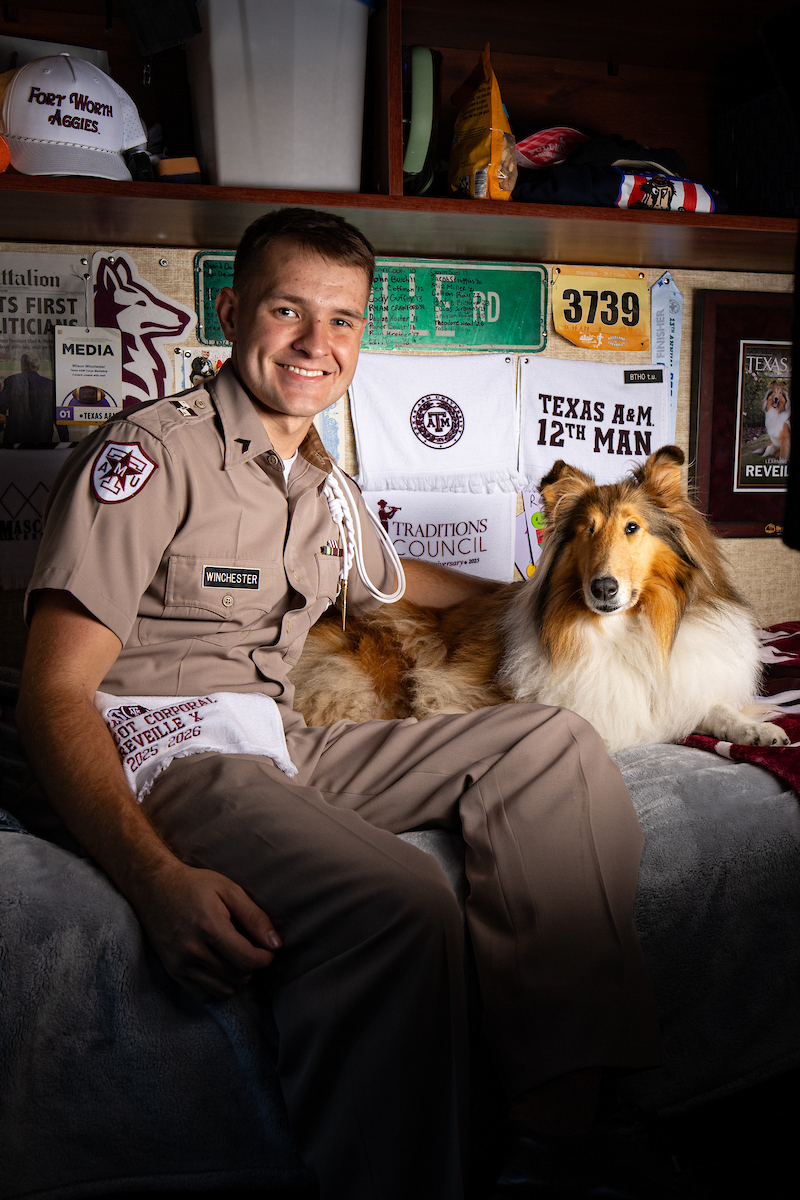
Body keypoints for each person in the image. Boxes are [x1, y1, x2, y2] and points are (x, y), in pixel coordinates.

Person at [17, 208, 662, 1200]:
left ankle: (553, 1130)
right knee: (402, 903)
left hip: (281, 742)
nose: (316, 343)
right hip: (175, 752)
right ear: (233, 313)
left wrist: (543, 598)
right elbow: (52, 693)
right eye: (288, 310)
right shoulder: (152, 457)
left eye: (343, 320)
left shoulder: (321, 483)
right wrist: (154, 879)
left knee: (553, 743)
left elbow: (397, 582)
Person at [0, 351, 55, 444]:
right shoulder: (50, 384)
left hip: (16, 436)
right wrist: (64, 440)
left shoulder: (11, 381)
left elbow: (1, 405)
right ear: (38, 366)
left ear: (22, 365)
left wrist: (8, 422)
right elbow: (58, 414)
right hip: (43, 436)